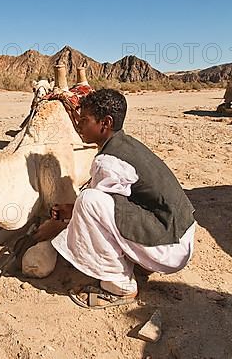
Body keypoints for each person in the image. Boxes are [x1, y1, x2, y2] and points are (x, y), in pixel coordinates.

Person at [33, 89, 197, 309]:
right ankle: (141, 262)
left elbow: (95, 208)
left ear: (105, 123)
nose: (78, 125)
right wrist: (70, 211)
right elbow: (113, 206)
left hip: (169, 248)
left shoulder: (107, 161)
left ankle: (119, 285)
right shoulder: (126, 144)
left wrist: (58, 225)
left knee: (87, 200)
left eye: (84, 120)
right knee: (89, 202)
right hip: (181, 234)